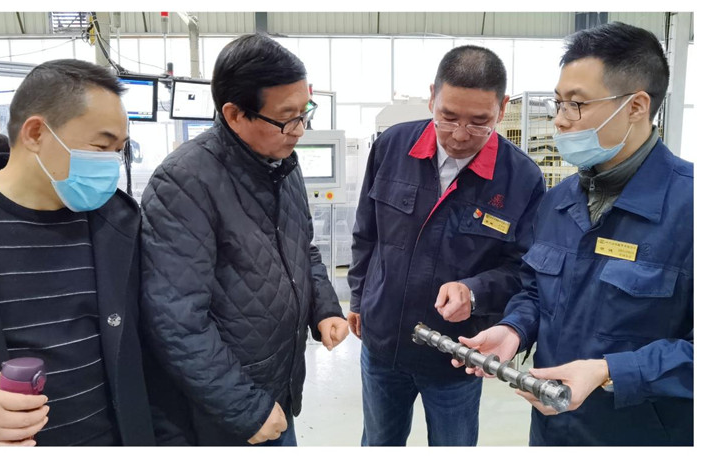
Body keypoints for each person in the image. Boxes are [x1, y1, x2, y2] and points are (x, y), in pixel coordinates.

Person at [449, 22, 692, 446]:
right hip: (553, 428)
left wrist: (609, 371)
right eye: (558, 103)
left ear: (636, 106)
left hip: (642, 435)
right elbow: (536, 291)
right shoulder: (559, 202)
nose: (560, 121)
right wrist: (514, 330)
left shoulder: (690, 208)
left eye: (576, 105)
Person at [139, 33, 349, 446]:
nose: (300, 130)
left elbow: (302, 248)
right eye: (287, 118)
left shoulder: (281, 163)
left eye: (305, 112)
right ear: (235, 114)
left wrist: (323, 307)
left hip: (276, 385)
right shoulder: (184, 182)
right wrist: (244, 407)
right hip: (224, 408)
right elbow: (176, 319)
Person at [347, 45, 546, 446]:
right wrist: (358, 297)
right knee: (379, 441)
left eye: (479, 122)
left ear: (502, 108)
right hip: (384, 341)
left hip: (457, 353)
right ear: (432, 97)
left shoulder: (522, 179)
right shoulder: (392, 146)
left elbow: (524, 271)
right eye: (448, 117)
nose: (459, 135)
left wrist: (474, 292)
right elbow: (367, 231)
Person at [0, 59, 155, 446]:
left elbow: (145, 359)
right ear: (35, 133)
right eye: (101, 146)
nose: (111, 163)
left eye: (118, 150)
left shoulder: (119, 225)